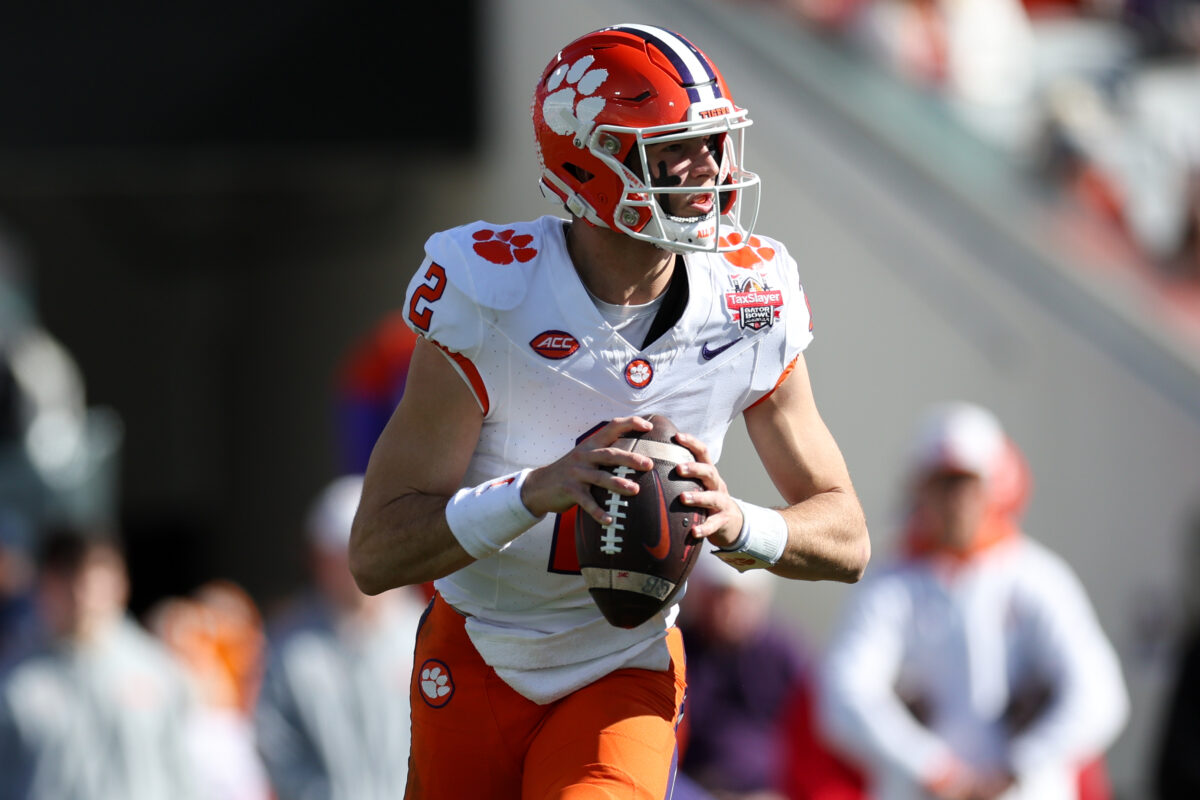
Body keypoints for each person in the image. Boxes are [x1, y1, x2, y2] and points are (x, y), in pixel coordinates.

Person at [349, 22, 871, 800]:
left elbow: (847, 535)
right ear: (589, 160)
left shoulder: (749, 298)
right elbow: (378, 551)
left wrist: (736, 523)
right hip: (478, 651)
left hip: (622, 666)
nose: (708, 171)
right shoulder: (489, 293)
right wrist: (535, 491)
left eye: (713, 143)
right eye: (674, 149)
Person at [818, 402, 1129, 800]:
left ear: (994, 486)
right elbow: (841, 697)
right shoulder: (889, 584)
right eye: (943, 483)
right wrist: (931, 766)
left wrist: (1021, 763)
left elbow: (1101, 696)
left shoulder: (1038, 578)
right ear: (920, 489)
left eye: (967, 483)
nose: (956, 500)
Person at [255, 474, 426, 800]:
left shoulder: (425, 632)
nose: (352, 565)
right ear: (318, 557)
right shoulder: (289, 646)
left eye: (363, 546)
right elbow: (276, 744)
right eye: (340, 551)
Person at [0, 523, 199, 800]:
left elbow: (183, 773)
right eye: (69, 578)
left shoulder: (157, 671)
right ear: (46, 584)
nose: (82, 595)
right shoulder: (16, 683)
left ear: (121, 582)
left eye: (94, 578)